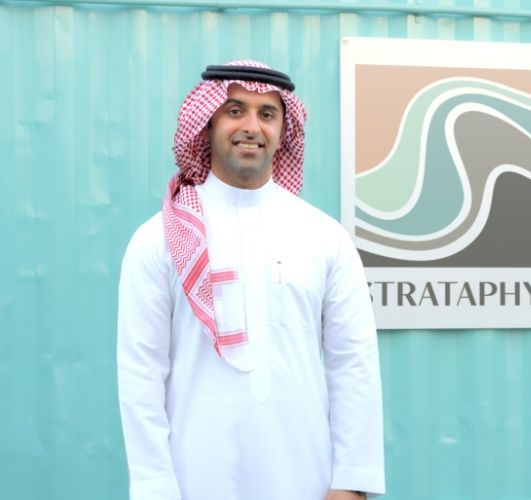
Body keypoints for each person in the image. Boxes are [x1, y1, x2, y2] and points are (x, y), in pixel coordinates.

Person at [117, 60, 384, 500]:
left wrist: (352, 484)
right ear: (207, 123)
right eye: (235, 110)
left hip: (306, 478)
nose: (251, 127)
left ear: (284, 130)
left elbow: (353, 364)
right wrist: (154, 489)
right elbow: (140, 375)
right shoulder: (158, 239)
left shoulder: (324, 237)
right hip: (193, 479)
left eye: (267, 114)